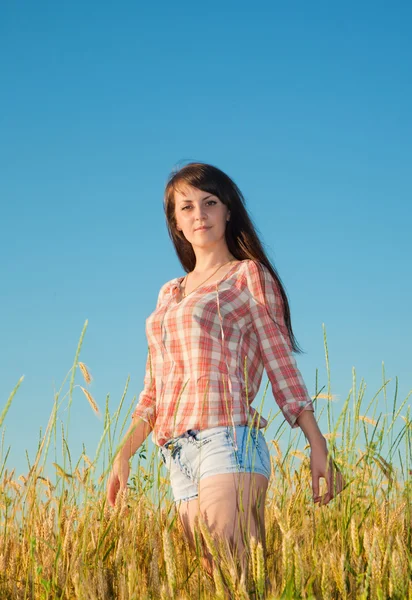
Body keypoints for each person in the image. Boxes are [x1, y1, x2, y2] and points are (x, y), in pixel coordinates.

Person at [106, 162, 345, 589]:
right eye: (187, 207)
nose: (199, 214)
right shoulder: (169, 293)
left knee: (237, 577)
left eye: (210, 202)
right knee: (218, 585)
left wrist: (316, 442)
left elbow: (279, 362)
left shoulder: (247, 275)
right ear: (176, 222)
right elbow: (153, 392)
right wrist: (123, 454)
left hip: (229, 442)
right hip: (177, 453)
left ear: (228, 210)